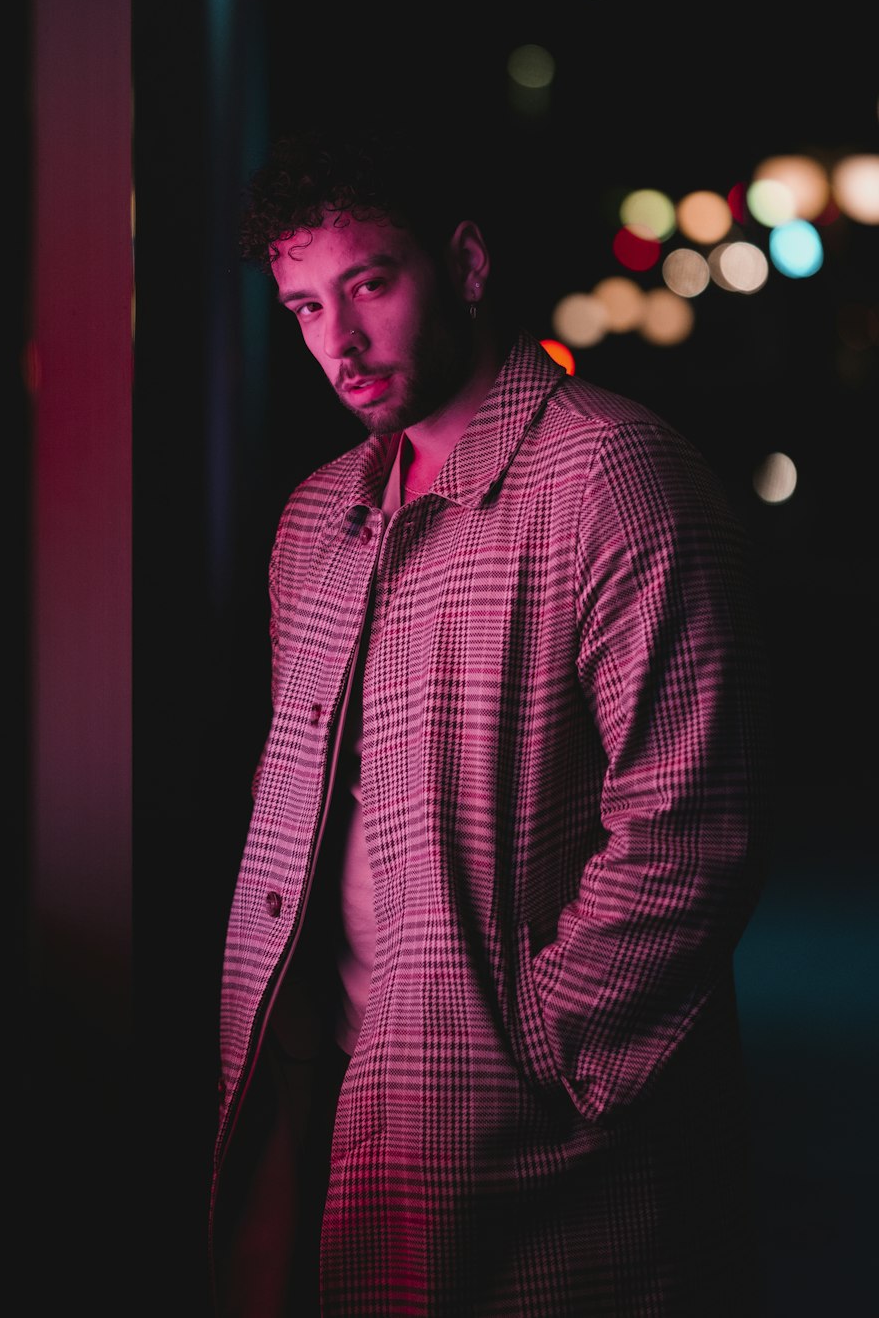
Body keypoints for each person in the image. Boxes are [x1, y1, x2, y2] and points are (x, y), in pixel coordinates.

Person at [209, 123, 770, 1316]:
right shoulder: (319, 521)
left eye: (370, 284)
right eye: (305, 308)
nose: (340, 343)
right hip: (337, 1098)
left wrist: (538, 1057)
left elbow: (693, 827)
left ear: (463, 266)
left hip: (540, 1134)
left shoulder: (616, 477)